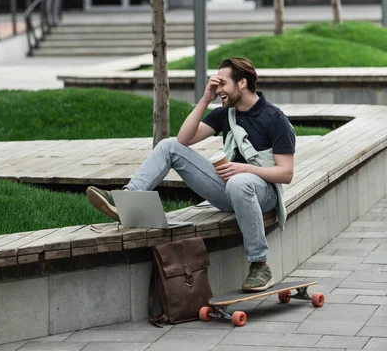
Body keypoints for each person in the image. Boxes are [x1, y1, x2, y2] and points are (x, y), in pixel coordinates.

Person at [86, 57, 295, 291]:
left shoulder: (274, 118)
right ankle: (127, 197)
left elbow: (286, 173)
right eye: (215, 84)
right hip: (229, 188)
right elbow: (185, 139)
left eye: (222, 84)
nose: (218, 90)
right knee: (169, 146)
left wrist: (245, 169)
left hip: (263, 193)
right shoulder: (226, 114)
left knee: (240, 183)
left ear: (242, 83)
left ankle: (260, 265)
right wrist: (206, 98)